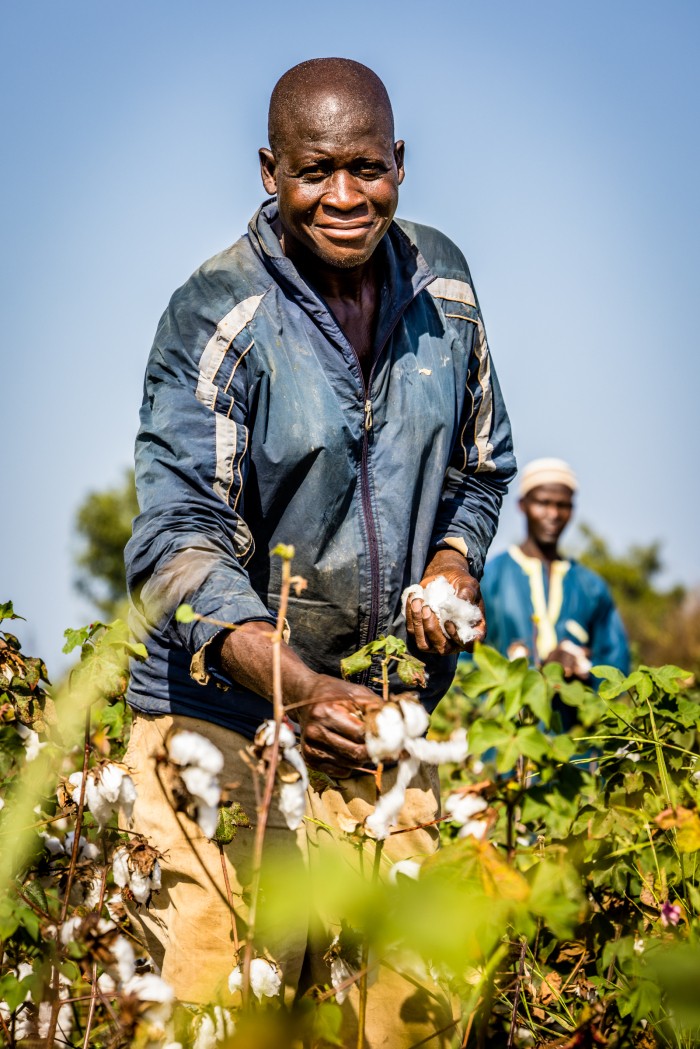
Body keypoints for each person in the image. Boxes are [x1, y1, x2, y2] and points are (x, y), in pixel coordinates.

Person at [123, 57, 516, 1044]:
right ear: (270, 170)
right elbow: (177, 538)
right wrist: (290, 681)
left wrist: (451, 564)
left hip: (381, 716)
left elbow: (480, 468)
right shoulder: (216, 313)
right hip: (218, 717)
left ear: (398, 164)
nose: (344, 196)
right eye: (314, 170)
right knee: (217, 1003)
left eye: (366, 167)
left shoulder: (446, 291)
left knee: (408, 1011)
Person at [481, 458, 629, 682]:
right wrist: (534, 673)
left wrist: (582, 668)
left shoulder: (590, 587)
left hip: (574, 716)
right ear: (522, 505)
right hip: (499, 715)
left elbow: (616, 665)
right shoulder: (490, 576)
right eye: (543, 502)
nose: (553, 514)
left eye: (563, 505)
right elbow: (462, 661)